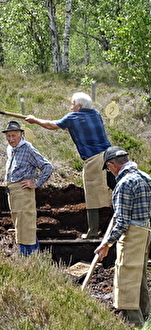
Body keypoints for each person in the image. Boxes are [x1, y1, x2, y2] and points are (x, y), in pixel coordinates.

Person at [25, 92, 113, 239]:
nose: (71, 106)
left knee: (92, 195)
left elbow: (52, 125)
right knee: (112, 188)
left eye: (72, 104)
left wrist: (35, 120)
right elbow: (72, 126)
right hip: (110, 155)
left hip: (94, 159)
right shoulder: (96, 114)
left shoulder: (74, 117)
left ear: (78, 106)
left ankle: (93, 232)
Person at [94, 146, 151, 328]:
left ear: (112, 165)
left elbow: (123, 222)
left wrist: (107, 244)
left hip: (132, 235)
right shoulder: (145, 177)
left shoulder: (125, 183)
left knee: (126, 277)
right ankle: (146, 315)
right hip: (146, 232)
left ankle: (134, 322)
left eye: (108, 168)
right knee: (139, 275)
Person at [2, 120, 53, 256]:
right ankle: (32, 255)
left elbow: (47, 167)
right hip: (13, 191)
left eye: (14, 136)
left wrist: (35, 183)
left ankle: (28, 257)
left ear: (21, 135)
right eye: (8, 136)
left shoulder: (28, 149)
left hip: (23, 191)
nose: (11, 139)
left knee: (26, 225)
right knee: (20, 224)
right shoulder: (11, 149)